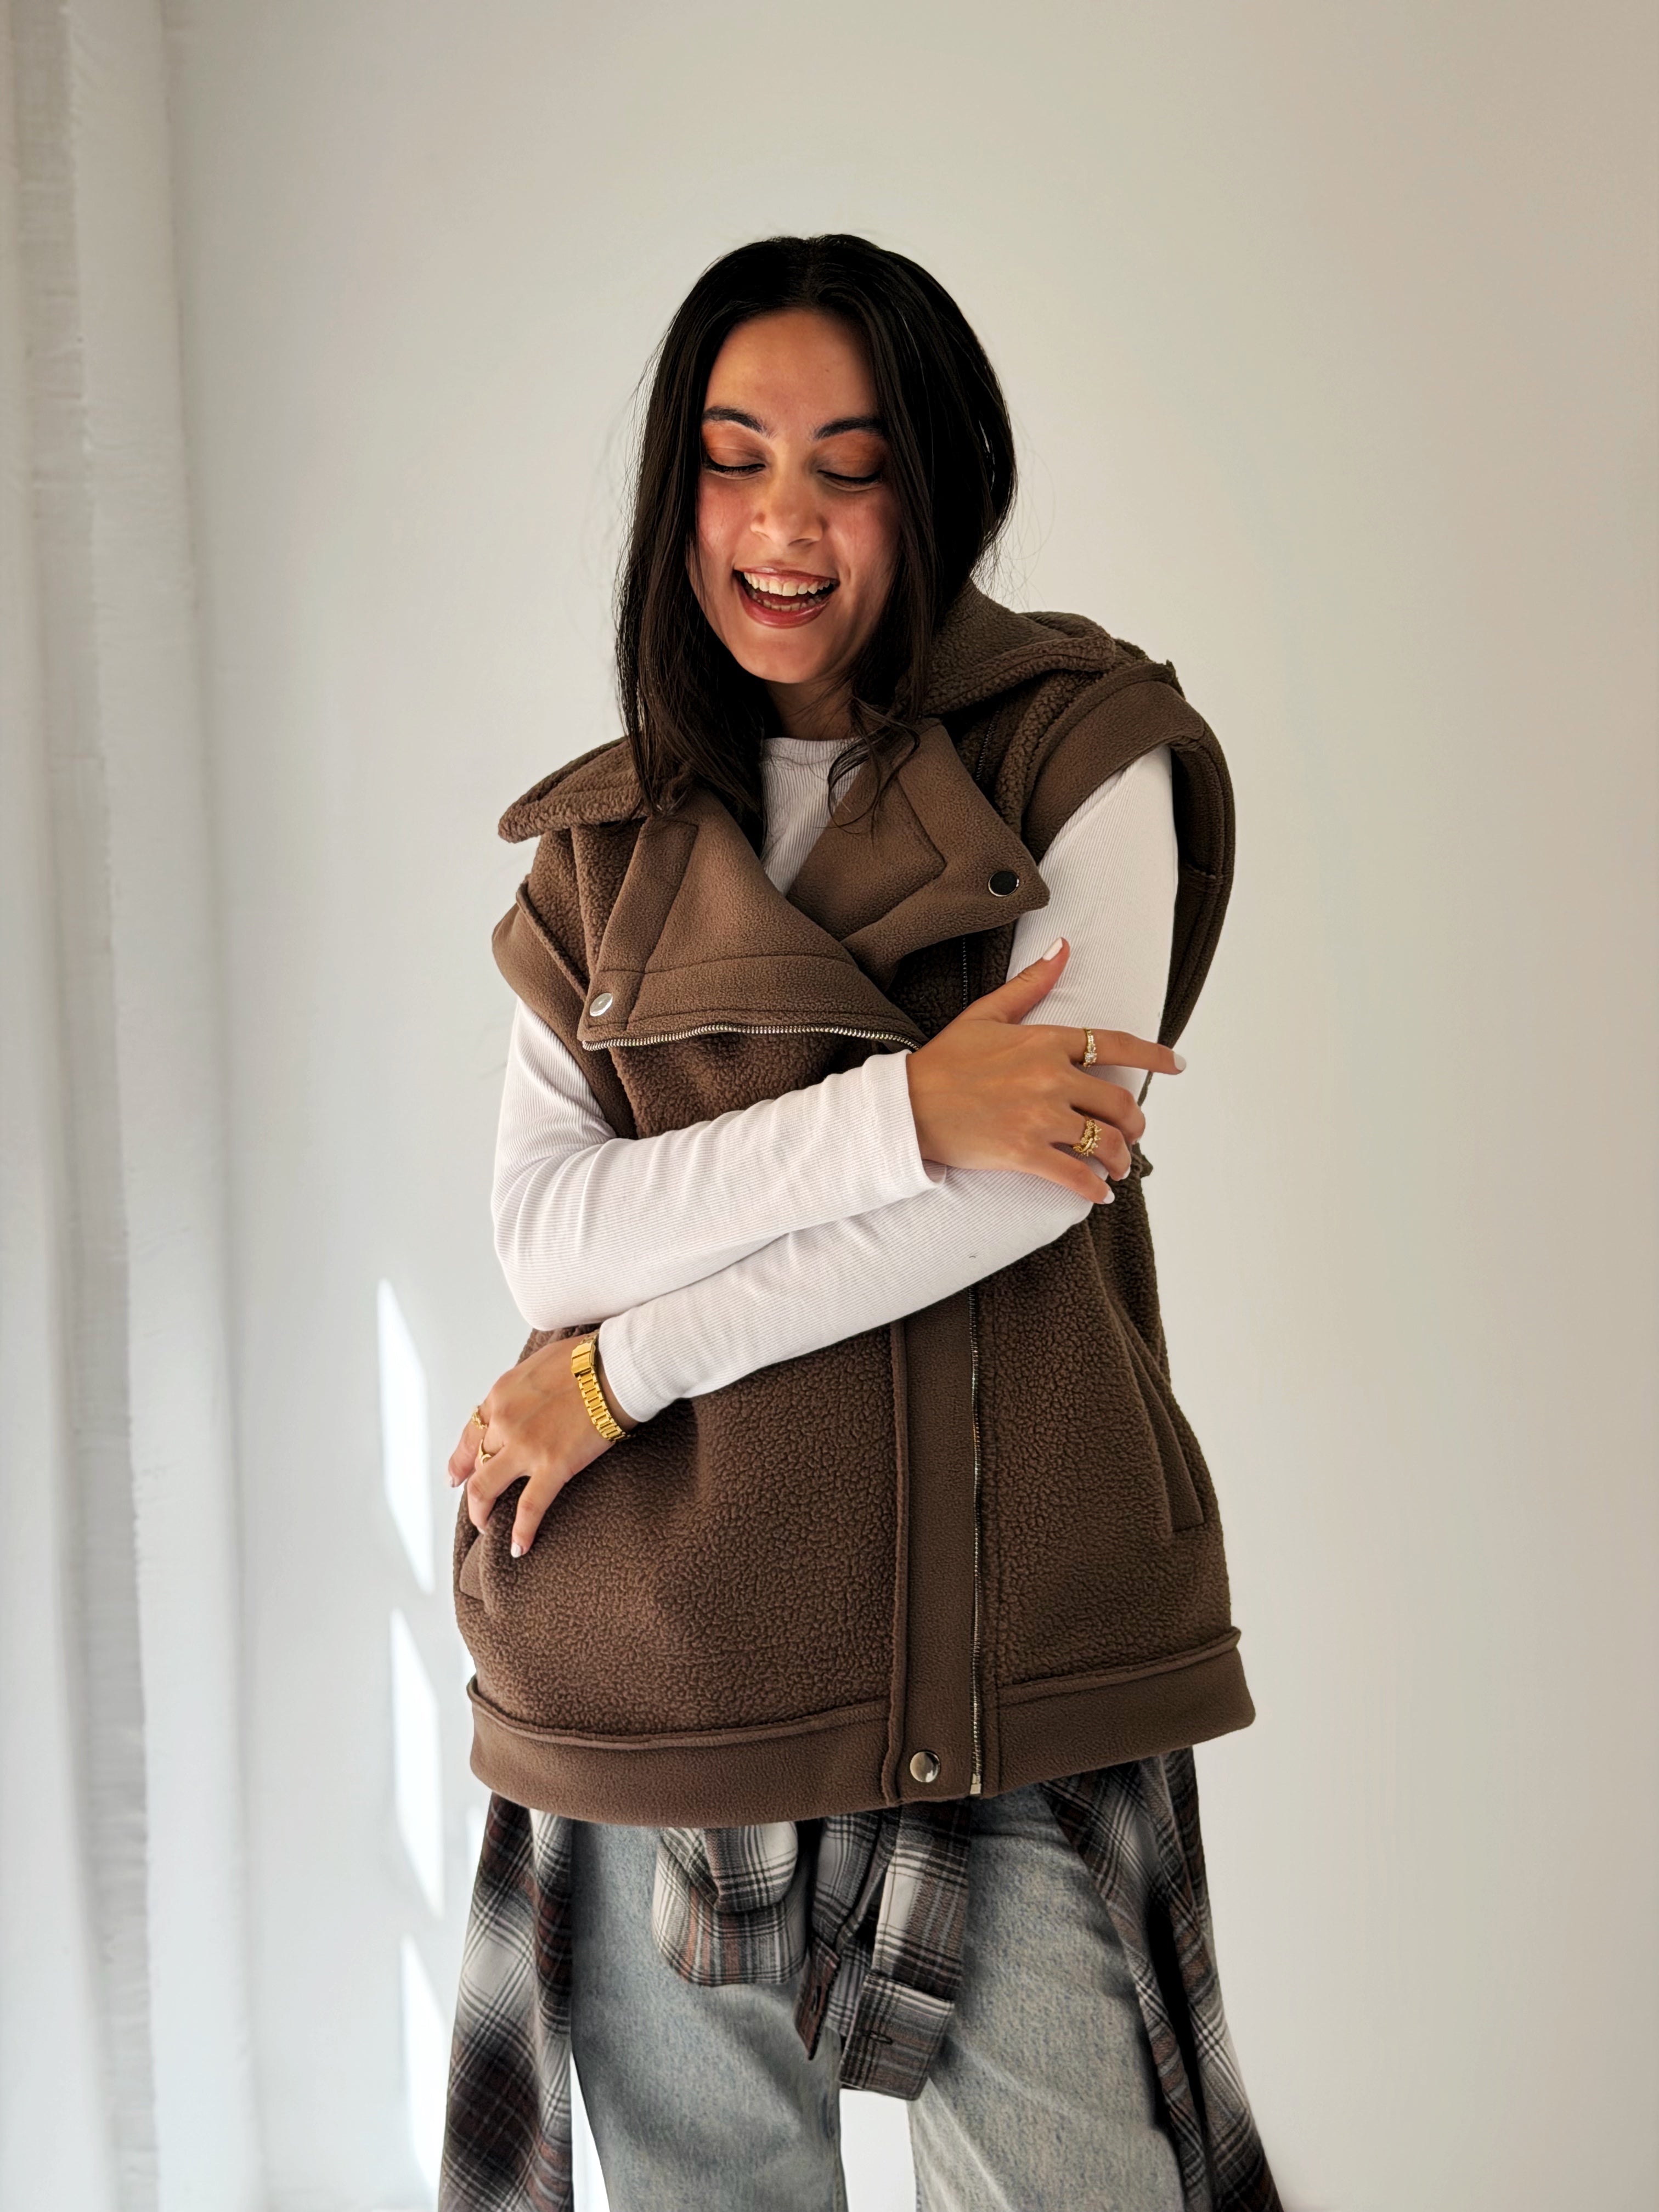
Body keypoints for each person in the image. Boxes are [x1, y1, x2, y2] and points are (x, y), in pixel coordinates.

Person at [438, 234, 1279, 2212]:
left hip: (1013, 1658)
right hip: (661, 1668)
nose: (783, 527)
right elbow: (551, 1239)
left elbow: (1024, 1188)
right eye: (734, 462)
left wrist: (619, 1375)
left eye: (849, 466)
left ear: (941, 479)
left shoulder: (1089, 751)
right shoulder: (603, 843)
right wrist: (904, 1107)